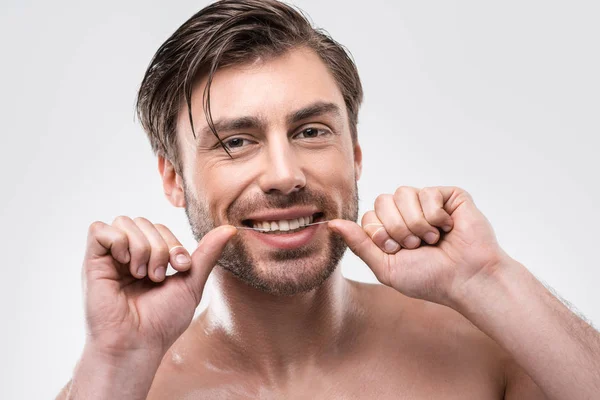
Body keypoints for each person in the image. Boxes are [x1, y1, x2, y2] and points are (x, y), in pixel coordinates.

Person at [57, 0, 600, 398]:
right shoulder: (121, 384)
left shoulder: (486, 351)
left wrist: (489, 278)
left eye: (312, 131)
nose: (284, 174)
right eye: (236, 142)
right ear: (174, 178)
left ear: (355, 153)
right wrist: (116, 361)